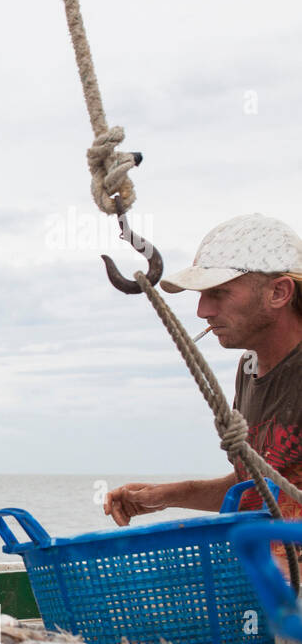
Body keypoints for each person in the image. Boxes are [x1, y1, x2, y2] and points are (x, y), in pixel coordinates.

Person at [104, 213, 302, 572]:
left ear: (279, 292)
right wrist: (163, 497)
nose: (202, 310)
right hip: (276, 586)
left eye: (219, 293)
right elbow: (260, 482)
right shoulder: (250, 368)